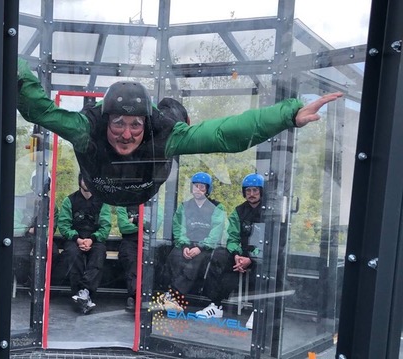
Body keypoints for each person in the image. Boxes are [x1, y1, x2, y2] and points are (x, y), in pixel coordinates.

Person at [17, 58, 343, 206]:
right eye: (118, 123)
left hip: (145, 189)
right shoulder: (86, 130)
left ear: (146, 125)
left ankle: (170, 109)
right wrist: (8, 47)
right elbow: (38, 108)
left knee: (174, 120)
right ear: (106, 123)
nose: (126, 134)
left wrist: (287, 114)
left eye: (135, 125)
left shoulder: (165, 135)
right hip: (100, 189)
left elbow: (224, 135)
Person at [196, 173, 265, 330]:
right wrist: (237, 256)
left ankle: (258, 310)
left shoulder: (268, 212)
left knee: (262, 267)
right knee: (220, 255)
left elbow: (272, 242)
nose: (252, 194)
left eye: (255, 190)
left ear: (261, 191)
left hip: (260, 253)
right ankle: (216, 305)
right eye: (248, 191)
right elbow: (233, 237)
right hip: (241, 252)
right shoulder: (238, 211)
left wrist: (252, 259)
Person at [165, 172, 226, 299]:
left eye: (202, 187)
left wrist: (201, 247)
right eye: (195, 186)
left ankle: (174, 294)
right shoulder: (184, 206)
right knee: (174, 257)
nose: (198, 190)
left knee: (196, 261)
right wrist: (185, 245)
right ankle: (174, 292)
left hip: (205, 247)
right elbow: (178, 227)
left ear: (208, 189)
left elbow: (217, 230)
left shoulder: (216, 207)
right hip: (187, 244)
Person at [57, 174, 112, 314]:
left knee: (99, 254)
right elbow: (63, 225)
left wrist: (92, 239)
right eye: (84, 179)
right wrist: (77, 239)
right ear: (79, 181)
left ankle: (85, 291)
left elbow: (105, 226)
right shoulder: (69, 200)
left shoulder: (103, 202)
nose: (86, 182)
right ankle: (80, 294)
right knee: (72, 253)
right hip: (75, 238)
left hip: (95, 239)